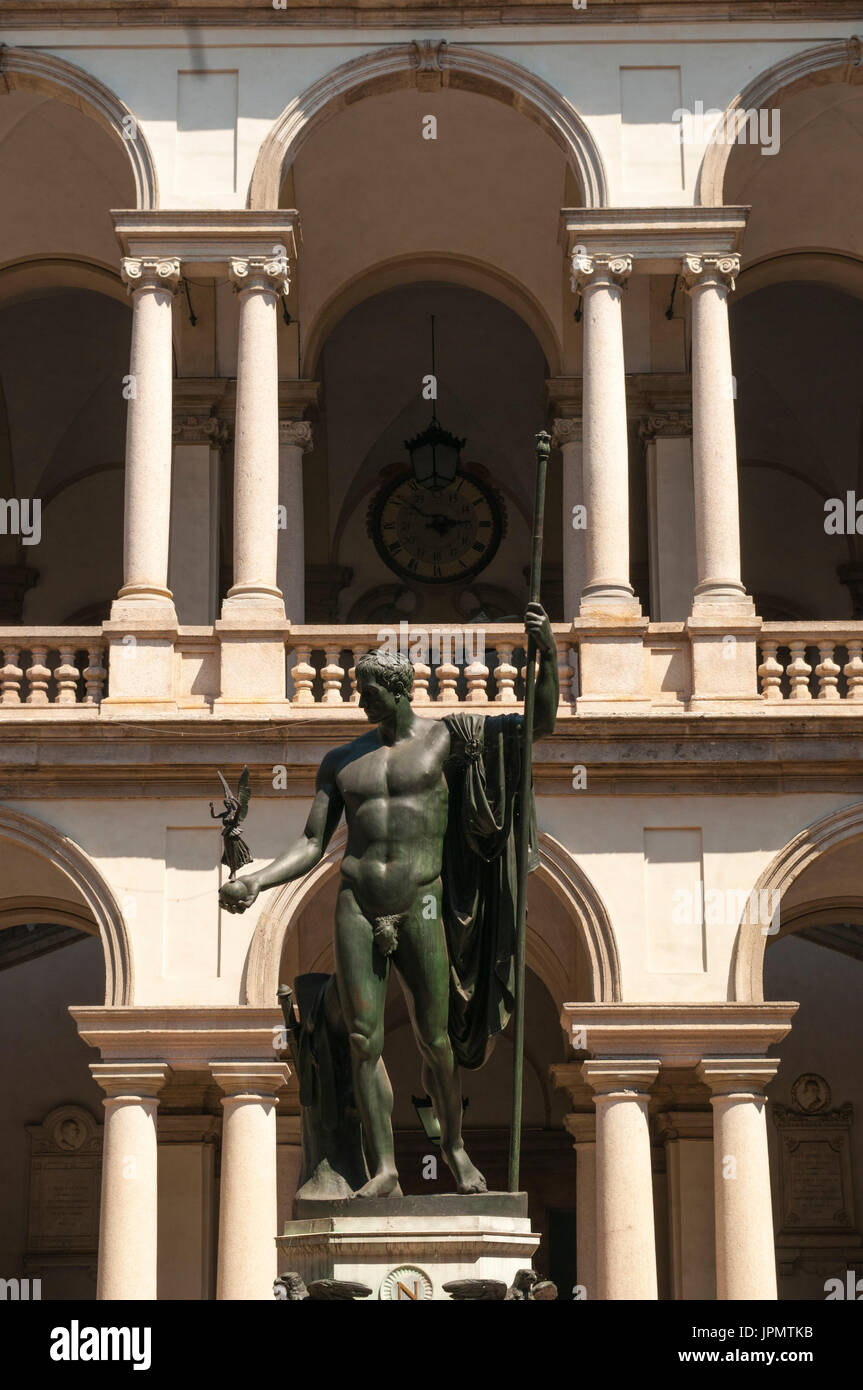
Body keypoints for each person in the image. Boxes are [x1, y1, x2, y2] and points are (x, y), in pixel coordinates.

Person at [220, 603, 558, 1197]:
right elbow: (310, 843)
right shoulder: (342, 762)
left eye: (369, 691)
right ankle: (384, 1169)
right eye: (359, 691)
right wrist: (257, 881)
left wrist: (547, 654)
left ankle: (453, 1147)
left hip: (422, 903)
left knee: (435, 1039)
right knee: (362, 1038)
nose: (360, 702)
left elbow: (539, 724)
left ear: (398, 690)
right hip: (356, 902)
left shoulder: (448, 742)